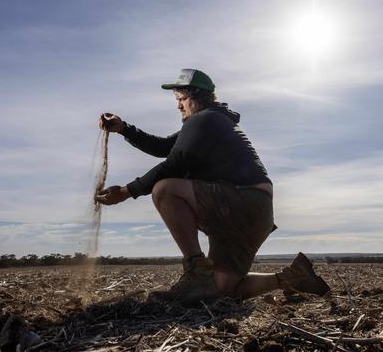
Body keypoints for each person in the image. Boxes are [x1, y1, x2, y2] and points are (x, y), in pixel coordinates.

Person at [96, 68, 330, 304]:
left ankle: (196, 269)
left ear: (198, 97)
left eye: (182, 99)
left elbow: (174, 164)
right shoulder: (210, 121)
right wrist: (124, 128)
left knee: (165, 189)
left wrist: (126, 191)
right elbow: (163, 147)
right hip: (255, 212)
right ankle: (292, 278)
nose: (178, 106)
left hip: (242, 202)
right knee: (221, 290)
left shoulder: (205, 119)